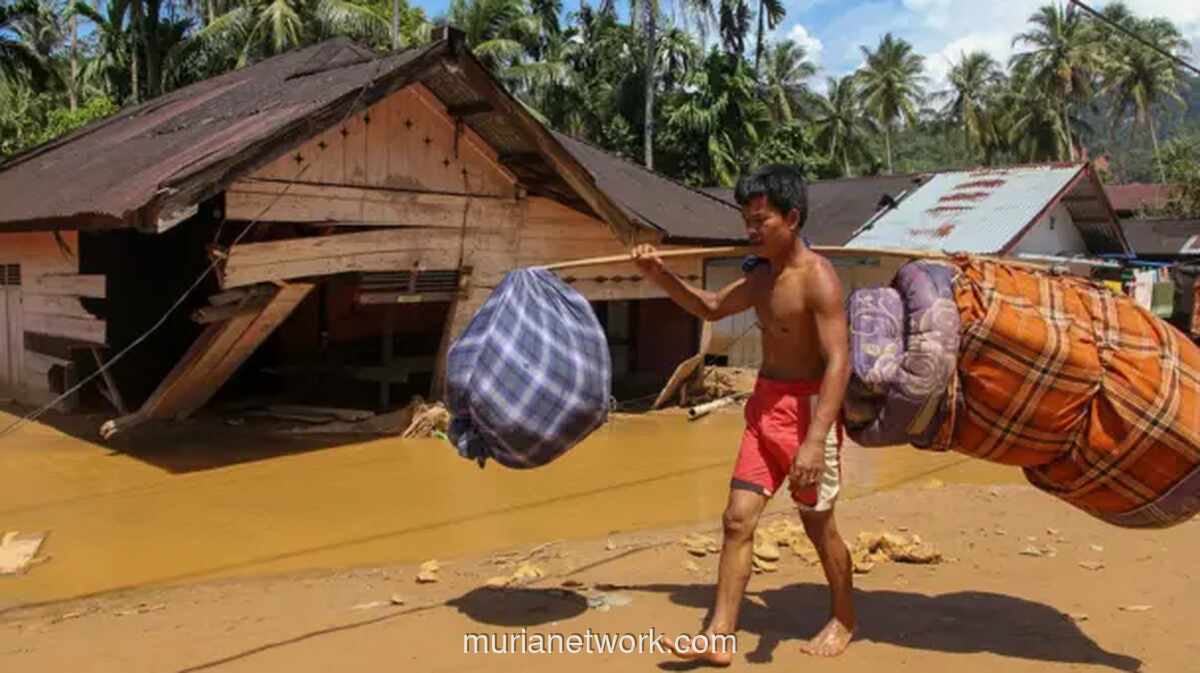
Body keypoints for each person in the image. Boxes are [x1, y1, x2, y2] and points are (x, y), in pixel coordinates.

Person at [632, 164, 854, 663]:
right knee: (737, 521)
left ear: (792, 218)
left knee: (819, 527)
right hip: (764, 408)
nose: (750, 232)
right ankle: (718, 636)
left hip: (809, 413)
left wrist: (816, 440)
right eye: (747, 222)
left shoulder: (818, 279)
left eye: (761, 222)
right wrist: (659, 274)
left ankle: (844, 617)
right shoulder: (759, 278)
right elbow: (711, 307)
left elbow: (840, 360)